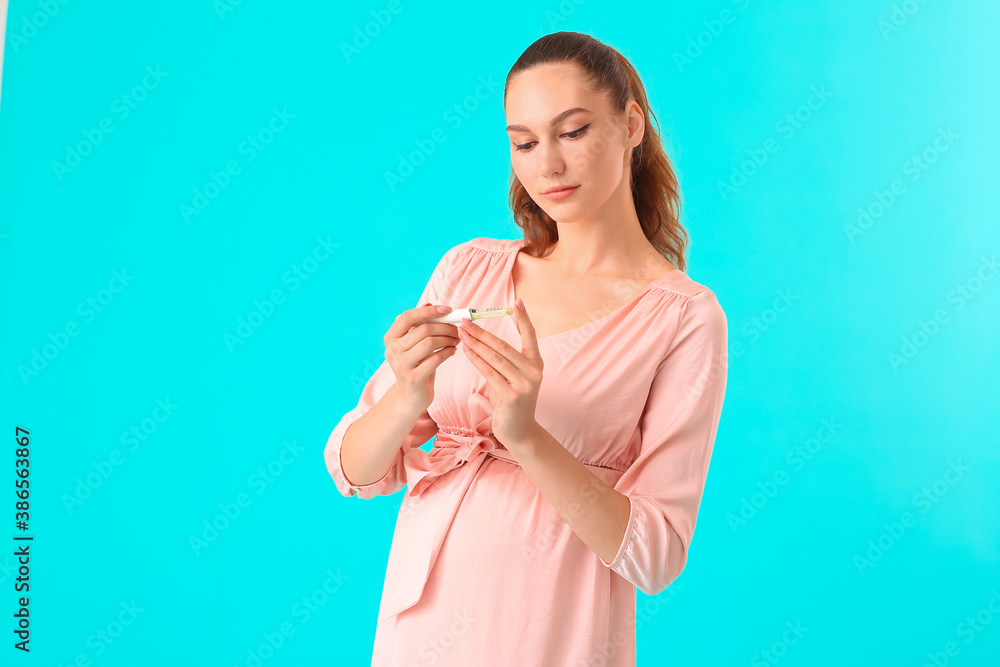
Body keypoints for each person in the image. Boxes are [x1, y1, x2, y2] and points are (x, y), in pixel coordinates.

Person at [324, 30, 728, 665]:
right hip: (420, 630)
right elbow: (354, 470)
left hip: (553, 638)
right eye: (525, 143)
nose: (549, 166)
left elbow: (656, 555)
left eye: (572, 132)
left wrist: (526, 436)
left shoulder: (682, 317)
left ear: (630, 126)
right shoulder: (467, 271)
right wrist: (406, 395)